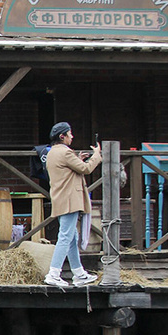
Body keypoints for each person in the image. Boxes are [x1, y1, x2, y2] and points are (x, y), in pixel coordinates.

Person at [44, 121, 101, 287]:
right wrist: (96, 154)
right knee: (66, 236)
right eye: (70, 134)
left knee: (71, 238)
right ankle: (53, 274)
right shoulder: (65, 152)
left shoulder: (53, 153)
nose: (72, 137)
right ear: (62, 136)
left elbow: (67, 170)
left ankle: (79, 274)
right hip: (69, 200)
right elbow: (86, 169)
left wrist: (77, 160)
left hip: (61, 199)